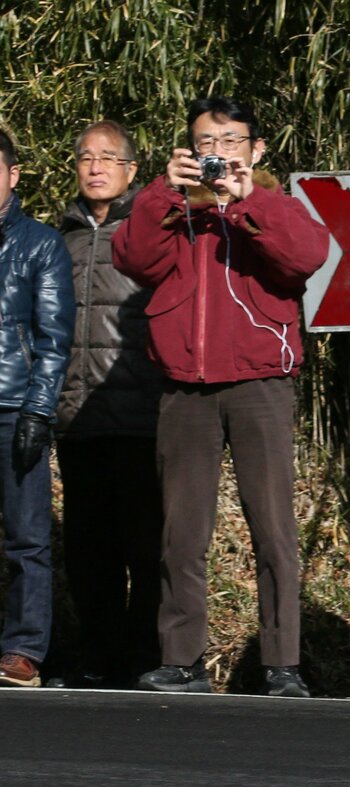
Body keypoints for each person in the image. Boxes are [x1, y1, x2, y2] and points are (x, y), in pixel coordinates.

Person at [114, 96, 330, 697]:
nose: (218, 153)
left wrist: (245, 201)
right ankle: (182, 658)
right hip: (185, 385)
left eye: (231, 141)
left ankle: (282, 663)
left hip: (260, 381)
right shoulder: (174, 208)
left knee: (273, 528)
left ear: (256, 150)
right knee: (181, 532)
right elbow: (131, 258)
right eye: (207, 143)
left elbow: (306, 258)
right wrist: (164, 192)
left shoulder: (276, 206)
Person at [56, 119, 163, 688]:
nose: (95, 167)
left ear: (130, 171)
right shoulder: (61, 238)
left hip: (143, 416)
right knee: (88, 549)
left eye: (107, 158)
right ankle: (97, 656)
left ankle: (146, 655)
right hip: (78, 416)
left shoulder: (155, 230)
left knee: (146, 546)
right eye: (85, 158)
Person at [0, 129, 74, 687]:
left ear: (13, 175)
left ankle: (23, 650)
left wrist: (36, 411)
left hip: (13, 405)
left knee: (27, 537)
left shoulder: (39, 244)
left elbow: (53, 339)